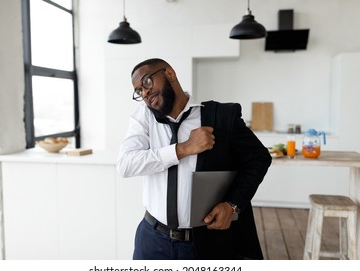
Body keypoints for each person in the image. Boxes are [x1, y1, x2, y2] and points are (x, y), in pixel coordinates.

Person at [116, 58, 272, 260]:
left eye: (146, 82)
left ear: (169, 74)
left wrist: (232, 205)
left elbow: (259, 159)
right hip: (152, 240)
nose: (144, 93)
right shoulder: (144, 117)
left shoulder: (220, 117)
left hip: (202, 244)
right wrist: (183, 149)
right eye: (139, 91)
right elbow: (125, 165)